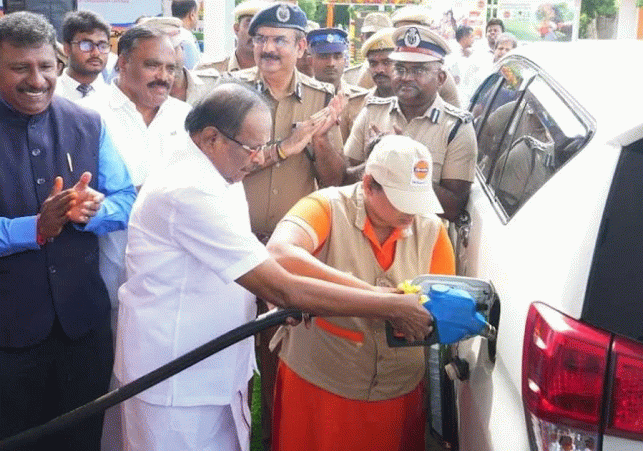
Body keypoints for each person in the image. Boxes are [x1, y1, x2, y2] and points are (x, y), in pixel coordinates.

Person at [114, 81, 432, 451]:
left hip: (209, 368)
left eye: (263, 146)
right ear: (211, 138)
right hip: (176, 378)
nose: (259, 158)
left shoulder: (219, 170)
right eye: (251, 147)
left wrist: (275, 300)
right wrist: (390, 305)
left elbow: (250, 260)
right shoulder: (189, 189)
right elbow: (281, 285)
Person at [0, 11, 136, 451]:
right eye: (20, 68)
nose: (36, 80)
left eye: (45, 66)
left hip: (83, 326)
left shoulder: (86, 123)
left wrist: (91, 211)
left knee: (81, 438)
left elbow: (125, 200)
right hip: (8, 334)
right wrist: (34, 228)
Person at [269, 134, 455, 451]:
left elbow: (440, 304)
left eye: (418, 200)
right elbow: (279, 254)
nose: (412, 213)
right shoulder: (326, 206)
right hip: (320, 385)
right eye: (402, 200)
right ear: (368, 184)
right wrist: (379, 301)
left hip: (395, 393)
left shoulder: (431, 230)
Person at [344, 25, 477, 221]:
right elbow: (344, 181)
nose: (406, 77)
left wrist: (405, 161)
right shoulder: (372, 112)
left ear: (440, 78)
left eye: (418, 70)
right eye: (399, 69)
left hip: (422, 242)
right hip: (366, 237)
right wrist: (374, 160)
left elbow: (453, 207)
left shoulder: (457, 128)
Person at [307, 27, 369, 141]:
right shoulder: (299, 96)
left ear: (345, 61)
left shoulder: (362, 99)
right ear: (311, 61)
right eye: (324, 56)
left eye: (337, 56)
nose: (331, 63)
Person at [55, 10, 111, 101]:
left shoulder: (115, 98)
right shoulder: (49, 94)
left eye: (103, 46)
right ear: (67, 49)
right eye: (86, 45)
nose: (96, 53)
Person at [208, 0, 267, 73]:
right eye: (250, 25)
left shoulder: (278, 75)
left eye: (263, 26)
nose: (256, 32)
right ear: (236, 29)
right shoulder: (211, 70)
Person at [342, 12, 392, 87]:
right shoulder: (347, 78)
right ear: (362, 38)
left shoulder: (403, 78)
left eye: (380, 36)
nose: (374, 41)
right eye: (370, 36)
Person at [171, 0, 201, 69]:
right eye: (197, 14)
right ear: (192, 14)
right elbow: (193, 71)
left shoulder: (167, 34)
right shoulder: (186, 39)